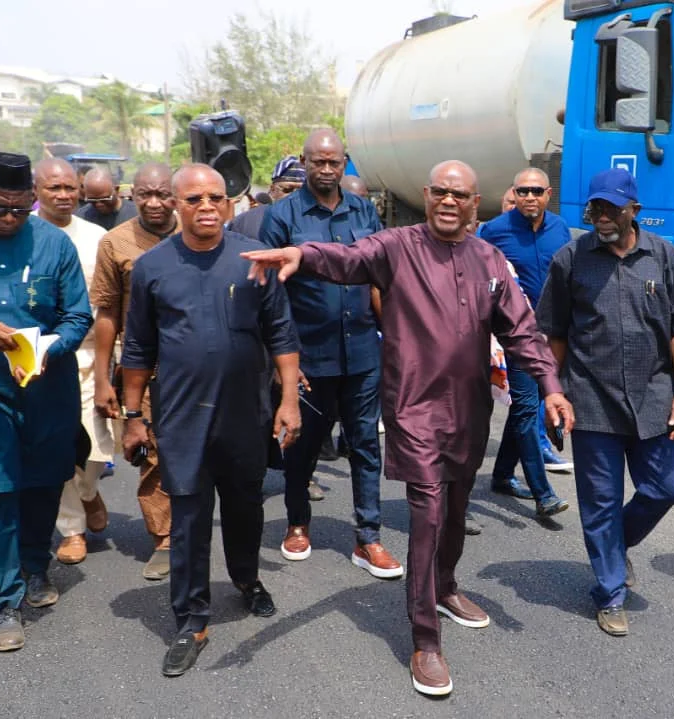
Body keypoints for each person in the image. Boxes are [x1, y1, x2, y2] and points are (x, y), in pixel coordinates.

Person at [242, 160, 574, 697]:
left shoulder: (490, 259)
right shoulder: (395, 246)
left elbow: (523, 333)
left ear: (476, 202)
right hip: (414, 410)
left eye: (459, 194)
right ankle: (426, 639)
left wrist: (552, 387)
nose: (448, 200)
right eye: (439, 191)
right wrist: (301, 255)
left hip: (468, 414)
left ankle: (444, 585)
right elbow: (346, 258)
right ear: (426, 195)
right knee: (428, 513)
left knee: (457, 508)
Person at [120, 164, 301, 677]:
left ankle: (246, 580)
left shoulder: (254, 261)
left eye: (216, 198)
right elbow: (137, 348)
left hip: (246, 414)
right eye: (195, 198)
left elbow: (283, 335)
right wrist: (134, 417)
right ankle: (191, 619)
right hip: (180, 418)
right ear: (175, 204)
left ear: (228, 204)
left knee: (245, 507)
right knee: (191, 519)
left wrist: (288, 402)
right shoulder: (153, 267)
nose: (206, 206)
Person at [537, 168, 674, 635]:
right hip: (591, 398)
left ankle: (616, 546)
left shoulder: (664, 257)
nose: (603, 216)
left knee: (665, 488)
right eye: (596, 208)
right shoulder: (571, 260)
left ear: (635, 211)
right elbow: (554, 335)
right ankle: (610, 592)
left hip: (654, 397)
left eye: (613, 208)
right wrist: (551, 394)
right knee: (600, 502)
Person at [259, 129, 396, 572]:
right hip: (309, 357)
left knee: (365, 446)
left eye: (333, 161)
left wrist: (390, 337)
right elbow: (270, 295)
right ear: (304, 162)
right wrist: (283, 364)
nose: (325, 169)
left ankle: (368, 537)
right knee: (302, 447)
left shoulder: (363, 211)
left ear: (344, 163)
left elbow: (379, 277)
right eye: (317, 161)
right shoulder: (282, 216)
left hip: (361, 354)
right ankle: (297, 523)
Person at [0, 150, 92, 652]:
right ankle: (4, 601)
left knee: (45, 481)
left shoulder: (54, 243)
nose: (7, 218)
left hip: (46, 388)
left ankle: (34, 567)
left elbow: (77, 316)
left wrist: (46, 348)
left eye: (18, 209)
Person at [89, 162, 178, 579]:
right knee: (152, 452)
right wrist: (104, 377)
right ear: (131, 194)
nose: (155, 202)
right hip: (143, 369)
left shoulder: (194, 233)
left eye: (163, 193)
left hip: (199, 366)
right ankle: (163, 537)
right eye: (146, 194)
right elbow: (107, 311)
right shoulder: (116, 243)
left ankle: (194, 528)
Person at [30, 159, 116, 565]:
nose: (64, 196)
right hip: (42, 358)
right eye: (54, 188)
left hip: (91, 354)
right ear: (36, 191)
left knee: (98, 446)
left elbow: (109, 305)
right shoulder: (24, 236)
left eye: (70, 188)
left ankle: (88, 491)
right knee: (59, 445)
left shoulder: (98, 237)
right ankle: (72, 529)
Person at [479, 168, 571, 512]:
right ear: (513, 195)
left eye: (536, 191)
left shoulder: (560, 229)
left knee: (526, 409)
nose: (529, 197)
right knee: (528, 409)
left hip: (554, 336)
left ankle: (503, 475)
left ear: (548, 194)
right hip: (514, 335)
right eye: (522, 191)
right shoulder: (494, 232)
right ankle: (543, 493)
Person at [228, 156, 306, 241]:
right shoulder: (244, 223)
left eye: (301, 191)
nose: (294, 196)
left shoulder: (319, 222)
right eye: (287, 190)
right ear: (272, 189)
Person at [76, 166, 138, 231]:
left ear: (116, 190)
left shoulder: (136, 215)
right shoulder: (81, 218)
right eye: (92, 200)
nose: (98, 204)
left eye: (104, 199)